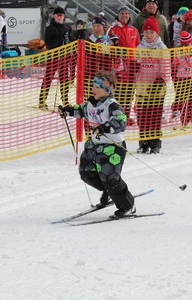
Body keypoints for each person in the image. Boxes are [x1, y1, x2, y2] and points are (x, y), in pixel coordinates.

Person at [58, 70, 135, 218]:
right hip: (94, 145)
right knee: (86, 173)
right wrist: (67, 110)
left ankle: (127, 205)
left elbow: (121, 121)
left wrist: (104, 127)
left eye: (98, 86)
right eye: (93, 85)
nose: (94, 89)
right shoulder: (91, 104)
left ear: (108, 88)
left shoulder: (111, 105)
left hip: (112, 147)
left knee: (110, 179)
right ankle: (108, 191)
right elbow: (80, 110)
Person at [136, 16, 172, 154]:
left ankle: (155, 141)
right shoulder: (140, 47)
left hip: (156, 87)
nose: (149, 35)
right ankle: (143, 141)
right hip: (142, 87)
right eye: (146, 32)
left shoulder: (161, 48)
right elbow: (137, 64)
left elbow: (165, 66)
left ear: (157, 33)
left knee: (155, 114)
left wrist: (161, 79)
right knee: (142, 115)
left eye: (152, 32)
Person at [108, 5, 140, 121]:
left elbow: (138, 47)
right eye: (122, 13)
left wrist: (138, 61)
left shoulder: (134, 30)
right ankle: (117, 115)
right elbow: (109, 47)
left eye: (127, 13)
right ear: (118, 15)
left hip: (131, 64)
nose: (125, 15)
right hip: (119, 65)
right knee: (119, 90)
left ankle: (126, 115)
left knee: (130, 91)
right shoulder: (113, 29)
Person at [38, 7, 73, 110]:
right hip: (52, 58)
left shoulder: (67, 28)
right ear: (54, 16)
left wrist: (69, 41)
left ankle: (65, 100)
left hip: (64, 58)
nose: (59, 17)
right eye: (57, 15)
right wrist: (61, 41)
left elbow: (71, 41)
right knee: (48, 79)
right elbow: (48, 43)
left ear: (64, 16)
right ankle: (42, 100)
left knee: (64, 80)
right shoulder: (50, 28)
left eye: (61, 15)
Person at [172, 31, 192, 130]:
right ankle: (185, 120)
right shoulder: (179, 52)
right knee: (184, 100)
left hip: (189, 77)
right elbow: (175, 64)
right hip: (182, 78)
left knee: (190, 100)